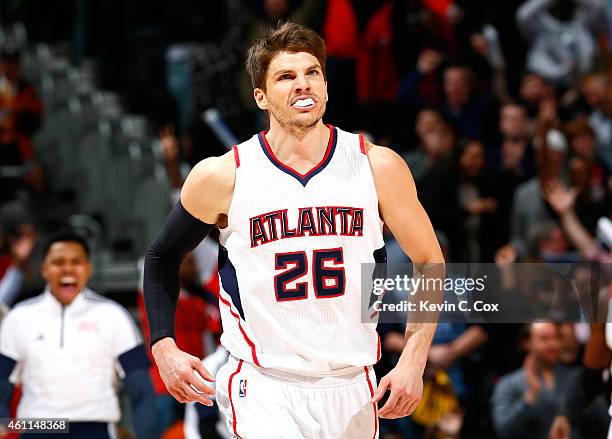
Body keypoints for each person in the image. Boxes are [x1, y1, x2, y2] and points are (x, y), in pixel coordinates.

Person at [144, 22, 444, 438]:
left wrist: (414, 359)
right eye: (286, 76)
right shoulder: (224, 175)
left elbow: (429, 261)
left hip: (352, 383)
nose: (303, 85)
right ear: (261, 96)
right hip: (265, 386)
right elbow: (161, 257)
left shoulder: (377, 166)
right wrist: (164, 345)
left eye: (312, 73)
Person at [0, 231, 158, 439]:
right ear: (44, 269)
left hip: (96, 429)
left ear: (89, 268)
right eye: (58, 262)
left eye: (76, 261)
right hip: (38, 428)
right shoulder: (19, 318)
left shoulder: (113, 316)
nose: (67, 269)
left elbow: (141, 387)